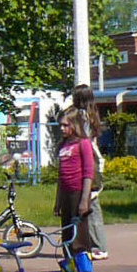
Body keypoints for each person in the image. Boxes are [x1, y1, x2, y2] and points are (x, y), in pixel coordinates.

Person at [70, 84, 109, 259]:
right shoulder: (92, 115)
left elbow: (83, 140)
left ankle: (99, 245)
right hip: (95, 159)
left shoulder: (82, 117)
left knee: (91, 206)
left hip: (90, 160)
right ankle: (92, 243)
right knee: (91, 205)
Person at [54, 109, 97, 255]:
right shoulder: (63, 145)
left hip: (78, 194)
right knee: (67, 236)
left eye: (66, 125)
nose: (62, 128)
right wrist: (58, 201)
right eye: (60, 125)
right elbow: (61, 176)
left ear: (75, 125)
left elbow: (88, 173)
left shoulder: (83, 143)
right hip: (65, 193)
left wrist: (84, 200)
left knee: (79, 238)